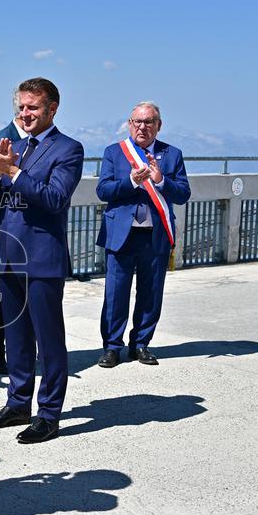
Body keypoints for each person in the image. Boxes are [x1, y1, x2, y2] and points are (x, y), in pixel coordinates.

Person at [0, 77, 84, 444]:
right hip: (9, 256)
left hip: (42, 259)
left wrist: (11, 171)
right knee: (16, 337)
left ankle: (49, 414)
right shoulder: (17, 149)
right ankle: (18, 403)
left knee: (48, 340)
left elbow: (54, 198)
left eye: (33, 107)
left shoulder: (68, 149)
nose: (25, 114)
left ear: (52, 109)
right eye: (21, 107)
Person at [95, 101, 191, 367]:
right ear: (129, 124)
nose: (142, 127)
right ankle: (112, 347)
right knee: (116, 293)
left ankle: (141, 345)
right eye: (137, 121)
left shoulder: (172, 154)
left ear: (158, 126)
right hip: (121, 235)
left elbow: (183, 194)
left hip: (155, 234)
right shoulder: (115, 152)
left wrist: (160, 180)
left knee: (151, 293)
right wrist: (130, 181)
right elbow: (103, 191)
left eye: (149, 122)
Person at [0, 84, 27, 375]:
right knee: (2, 292)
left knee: (27, 293)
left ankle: (22, 347)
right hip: (4, 229)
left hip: (30, 231)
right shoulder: (2, 140)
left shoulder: (38, 140)